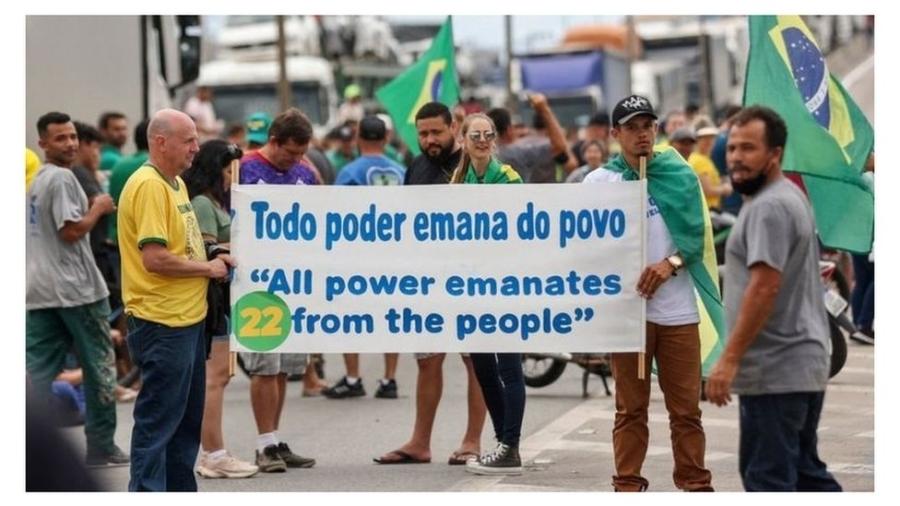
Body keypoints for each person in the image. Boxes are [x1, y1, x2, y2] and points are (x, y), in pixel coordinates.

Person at [706, 105, 842, 492]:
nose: (735, 158)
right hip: (793, 366)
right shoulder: (780, 198)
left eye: (748, 148)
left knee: (768, 481)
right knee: (804, 476)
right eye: (732, 148)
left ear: (775, 154)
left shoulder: (769, 206)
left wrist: (728, 361)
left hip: (777, 370)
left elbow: (765, 286)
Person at [583, 95, 715, 492]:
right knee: (629, 409)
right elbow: (583, 245)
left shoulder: (679, 173)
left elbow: (697, 236)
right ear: (615, 134)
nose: (642, 134)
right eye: (633, 127)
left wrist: (669, 264)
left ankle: (694, 485)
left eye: (648, 126)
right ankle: (627, 484)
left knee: (686, 411)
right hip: (627, 315)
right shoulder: (598, 183)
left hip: (677, 314)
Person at [118, 108, 234, 491]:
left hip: (186, 319)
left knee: (185, 422)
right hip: (162, 322)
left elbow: (182, 244)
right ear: (160, 142)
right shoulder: (150, 185)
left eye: (196, 140)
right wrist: (209, 270)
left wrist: (213, 251)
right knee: (159, 421)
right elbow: (155, 259)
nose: (196, 149)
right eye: (189, 141)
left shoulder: (176, 184)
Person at [374, 102, 487, 465]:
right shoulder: (417, 166)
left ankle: (472, 441)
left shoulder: (474, 164)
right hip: (427, 281)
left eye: (436, 131)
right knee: (428, 360)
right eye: (422, 133)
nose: (429, 139)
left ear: (454, 127)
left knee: (476, 362)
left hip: (471, 280)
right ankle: (420, 443)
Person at [26, 111, 128, 468]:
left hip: (40, 290)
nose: (69, 143)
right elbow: (70, 231)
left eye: (72, 136)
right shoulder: (63, 179)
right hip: (76, 290)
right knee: (100, 365)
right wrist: (98, 207)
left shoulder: (36, 179)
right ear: (43, 143)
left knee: (36, 371)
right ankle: (101, 446)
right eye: (60, 138)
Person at [442, 113, 526, 476]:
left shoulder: (508, 179)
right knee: (483, 368)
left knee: (508, 366)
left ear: (495, 140)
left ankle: (511, 445)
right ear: (463, 139)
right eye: (474, 134)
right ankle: (501, 441)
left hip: (504, 286)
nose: (481, 140)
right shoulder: (456, 183)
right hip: (470, 288)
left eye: (487, 134)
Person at [239, 108, 318, 473]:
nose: (296, 160)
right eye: (290, 152)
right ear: (273, 141)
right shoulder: (243, 168)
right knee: (264, 366)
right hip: (255, 286)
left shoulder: (305, 173)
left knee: (285, 367)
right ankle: (263, 443)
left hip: (294, 284)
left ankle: (274, 438)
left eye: (301, 153)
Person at [181, 140, 259, 479]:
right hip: (211, 299)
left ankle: (215, 450)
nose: (232, 176)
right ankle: (213, 453)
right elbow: (205, 249)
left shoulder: (214, 202)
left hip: (222, 298)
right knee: (215, 378)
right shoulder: (202, 204)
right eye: (228, 170)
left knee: (220, 377)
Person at [323, 115, 405, 399]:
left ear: (358, 138)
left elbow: (335, 213)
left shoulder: (349, 172)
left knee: (350, 315)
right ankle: (389, 379)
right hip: (394, 255)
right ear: (385, 139)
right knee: (391, 316)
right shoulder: (401, 171)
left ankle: (353, 376)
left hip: (357, 256)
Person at [487, 94, 576, 183]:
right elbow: (560, 147)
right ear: (509, 130)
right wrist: (544, 108)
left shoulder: (482, 156)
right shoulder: (518, 152)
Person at [690, 126, 733, 210]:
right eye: (705, 139)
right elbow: (707, 190)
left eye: (711, 138)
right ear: (698, 141)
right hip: (708, 209)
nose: (709, 142)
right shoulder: (699, 160)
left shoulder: (704, 158)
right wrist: (725, 189)